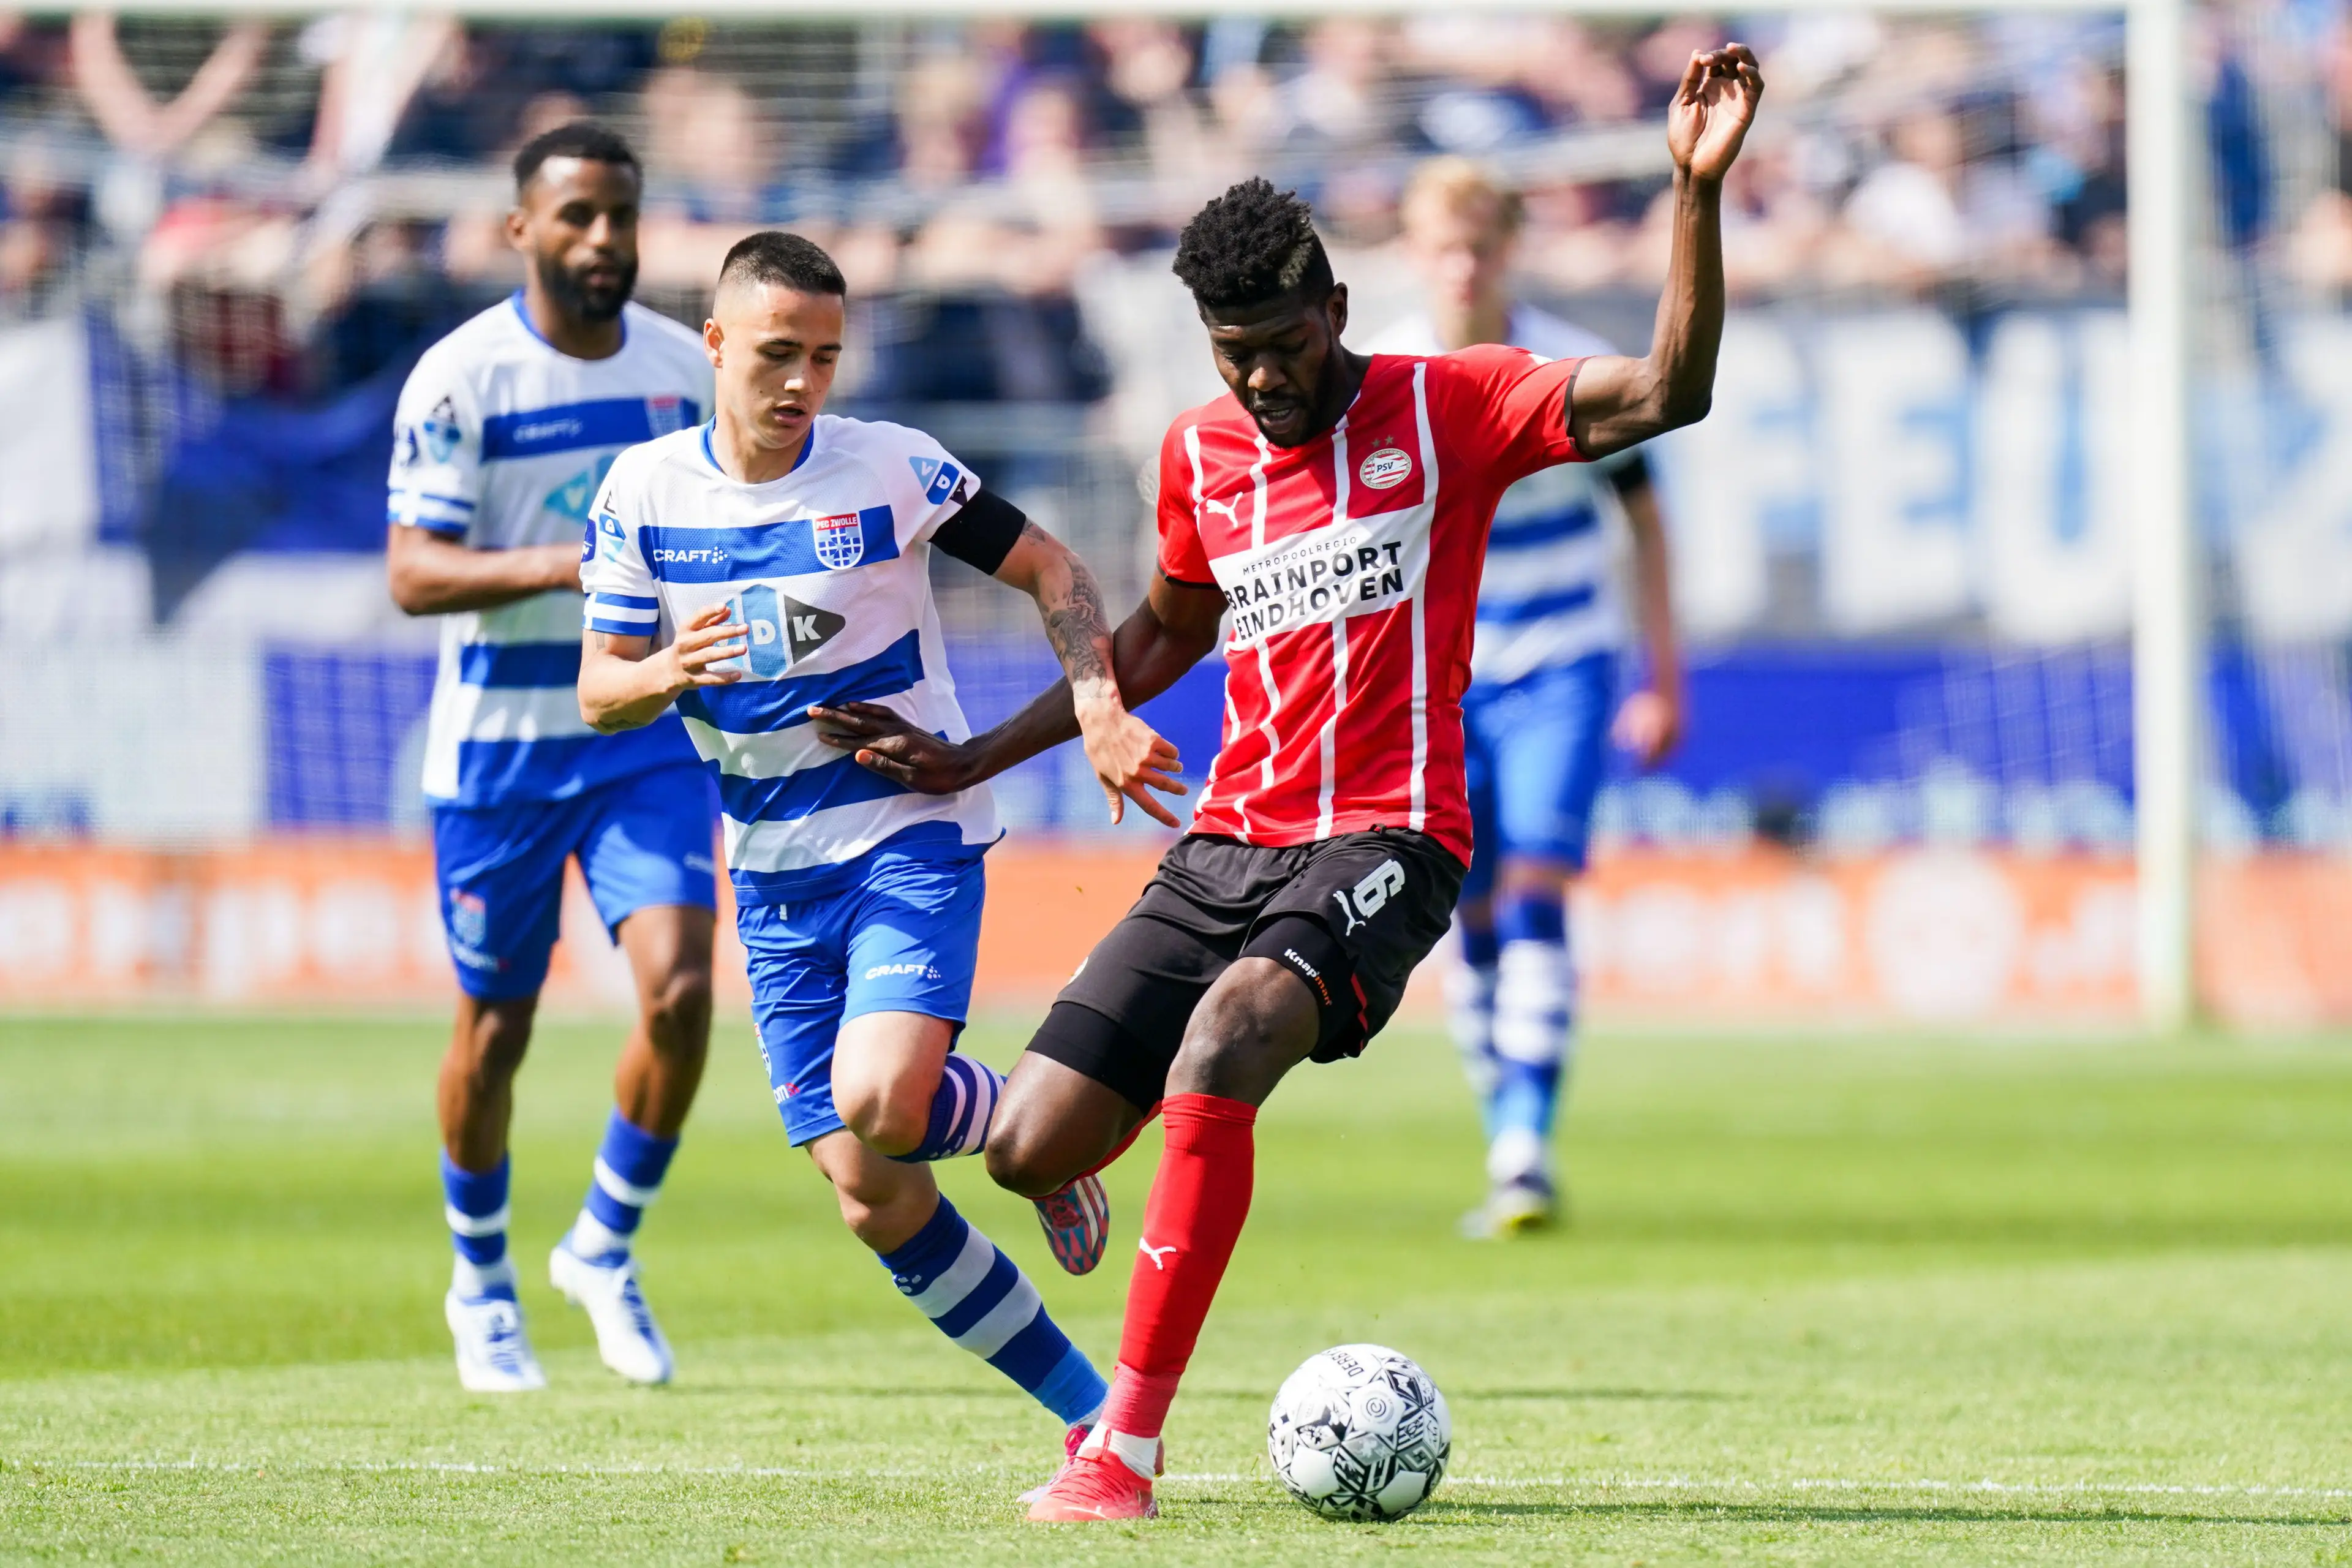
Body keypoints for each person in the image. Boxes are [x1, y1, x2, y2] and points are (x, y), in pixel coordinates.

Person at [814, 45, 1762, 1521]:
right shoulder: (1199, 455)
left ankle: (1117, 1445)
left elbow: (1669, 391)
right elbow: (1166, 633)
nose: (1262, 376)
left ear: (1335, 310)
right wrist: (982, 749)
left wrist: (1694, 195)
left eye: (1283, 341)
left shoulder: (1449, 407)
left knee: (1230, 1035)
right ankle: (1075, 1165)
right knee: (1021, 1144)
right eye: (1232, 349)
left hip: (1392, 831)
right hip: (1229, 840)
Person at [574, 230, 1178, 1485]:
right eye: (779, 355)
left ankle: (1043, 1126)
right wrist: (665, 670)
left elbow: (1052, 565)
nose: (803, 383)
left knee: (883, 1103)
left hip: (905, 829)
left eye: (827, 357)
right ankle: (1086, 1413)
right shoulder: (641, 494)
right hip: (770, 869)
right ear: (718, 344)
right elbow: (598, 692)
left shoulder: (891, 470)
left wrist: (1101, 705)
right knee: (874, 1193)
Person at [385, 122, 717, 1394]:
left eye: (620, 216)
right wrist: (581, 566)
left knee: (681, 991)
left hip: (642, 735)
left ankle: (602, 1243)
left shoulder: (688, 371)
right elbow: (415, 571)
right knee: (496, 1026)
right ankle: (481, 1281)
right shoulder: (460, 378)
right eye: (575, 216)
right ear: (520, 229)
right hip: (501, 755)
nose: (602, 241)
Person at [1366, 157, 1687, 1237]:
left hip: (1563, 661)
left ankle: (1524, 1148)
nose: (1464, 267)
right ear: (1414, 252)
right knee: (1471, 911)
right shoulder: (1388, 375)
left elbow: (1645, 513)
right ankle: (1503, 1121)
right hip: (1443, 678)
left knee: (1541, 891)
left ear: (1510, 250)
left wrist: (1662, 675)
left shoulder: (1560, 368)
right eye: (1444, 247)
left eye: (1483, 247)